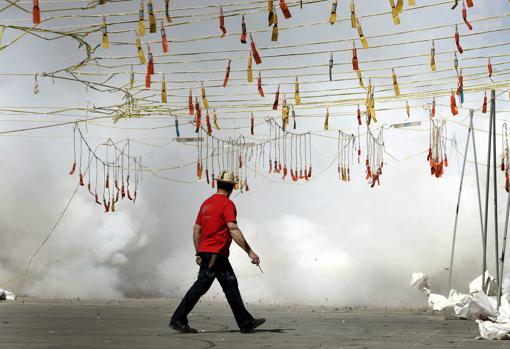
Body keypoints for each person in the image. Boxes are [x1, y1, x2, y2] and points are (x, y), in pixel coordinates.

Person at [170, 170, 265, 334]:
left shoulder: (206, 203)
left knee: (230, 285)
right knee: (201, 286)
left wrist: (198, 252)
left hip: (210, 252)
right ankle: (177, 319)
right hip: (216, 254)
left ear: (217, 184)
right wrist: (249, 252)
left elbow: (196, 230)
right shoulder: (227, 204)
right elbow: (233, 229)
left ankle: (245, 322)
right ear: (232, 187)